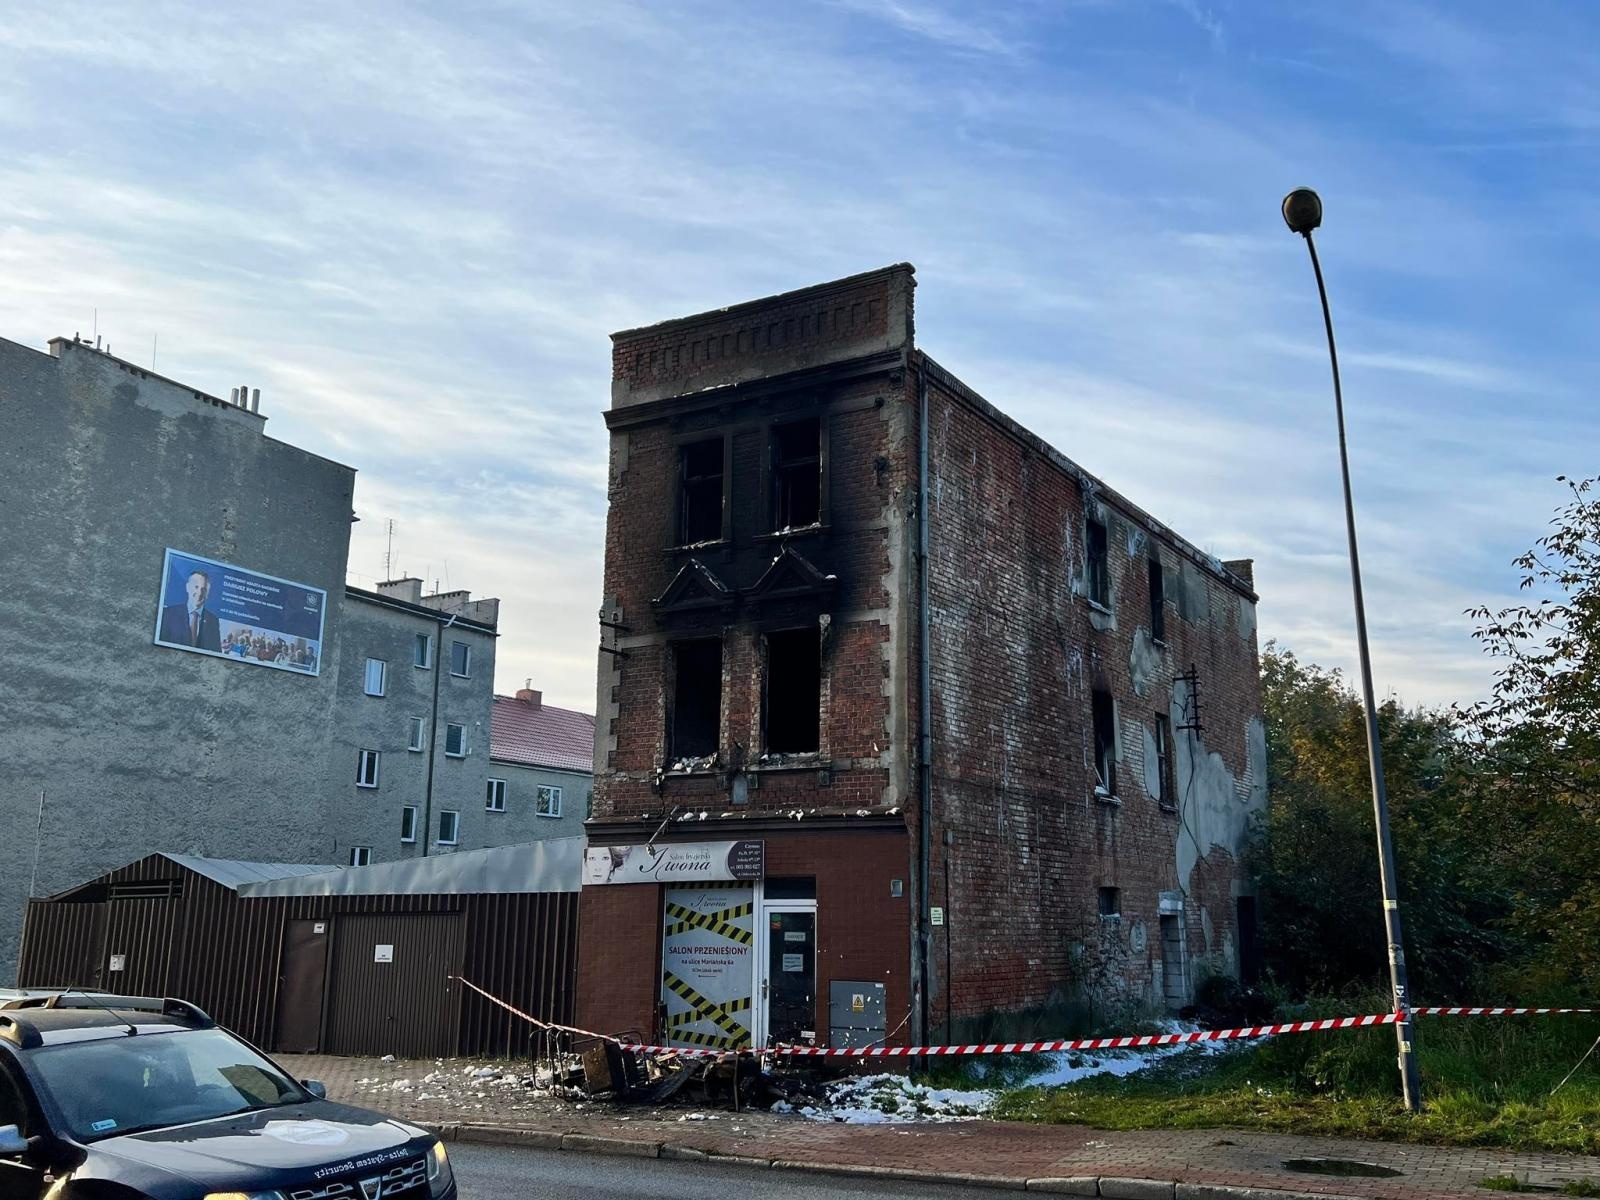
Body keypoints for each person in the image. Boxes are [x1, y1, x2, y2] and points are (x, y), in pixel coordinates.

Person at [158, 569, 222, 652]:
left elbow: (216, 652)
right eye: (196, 587)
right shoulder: (168, 614)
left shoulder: (213, 621)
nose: (199, 593)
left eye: (204, 589)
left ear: (207, 594)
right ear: (187, 587)